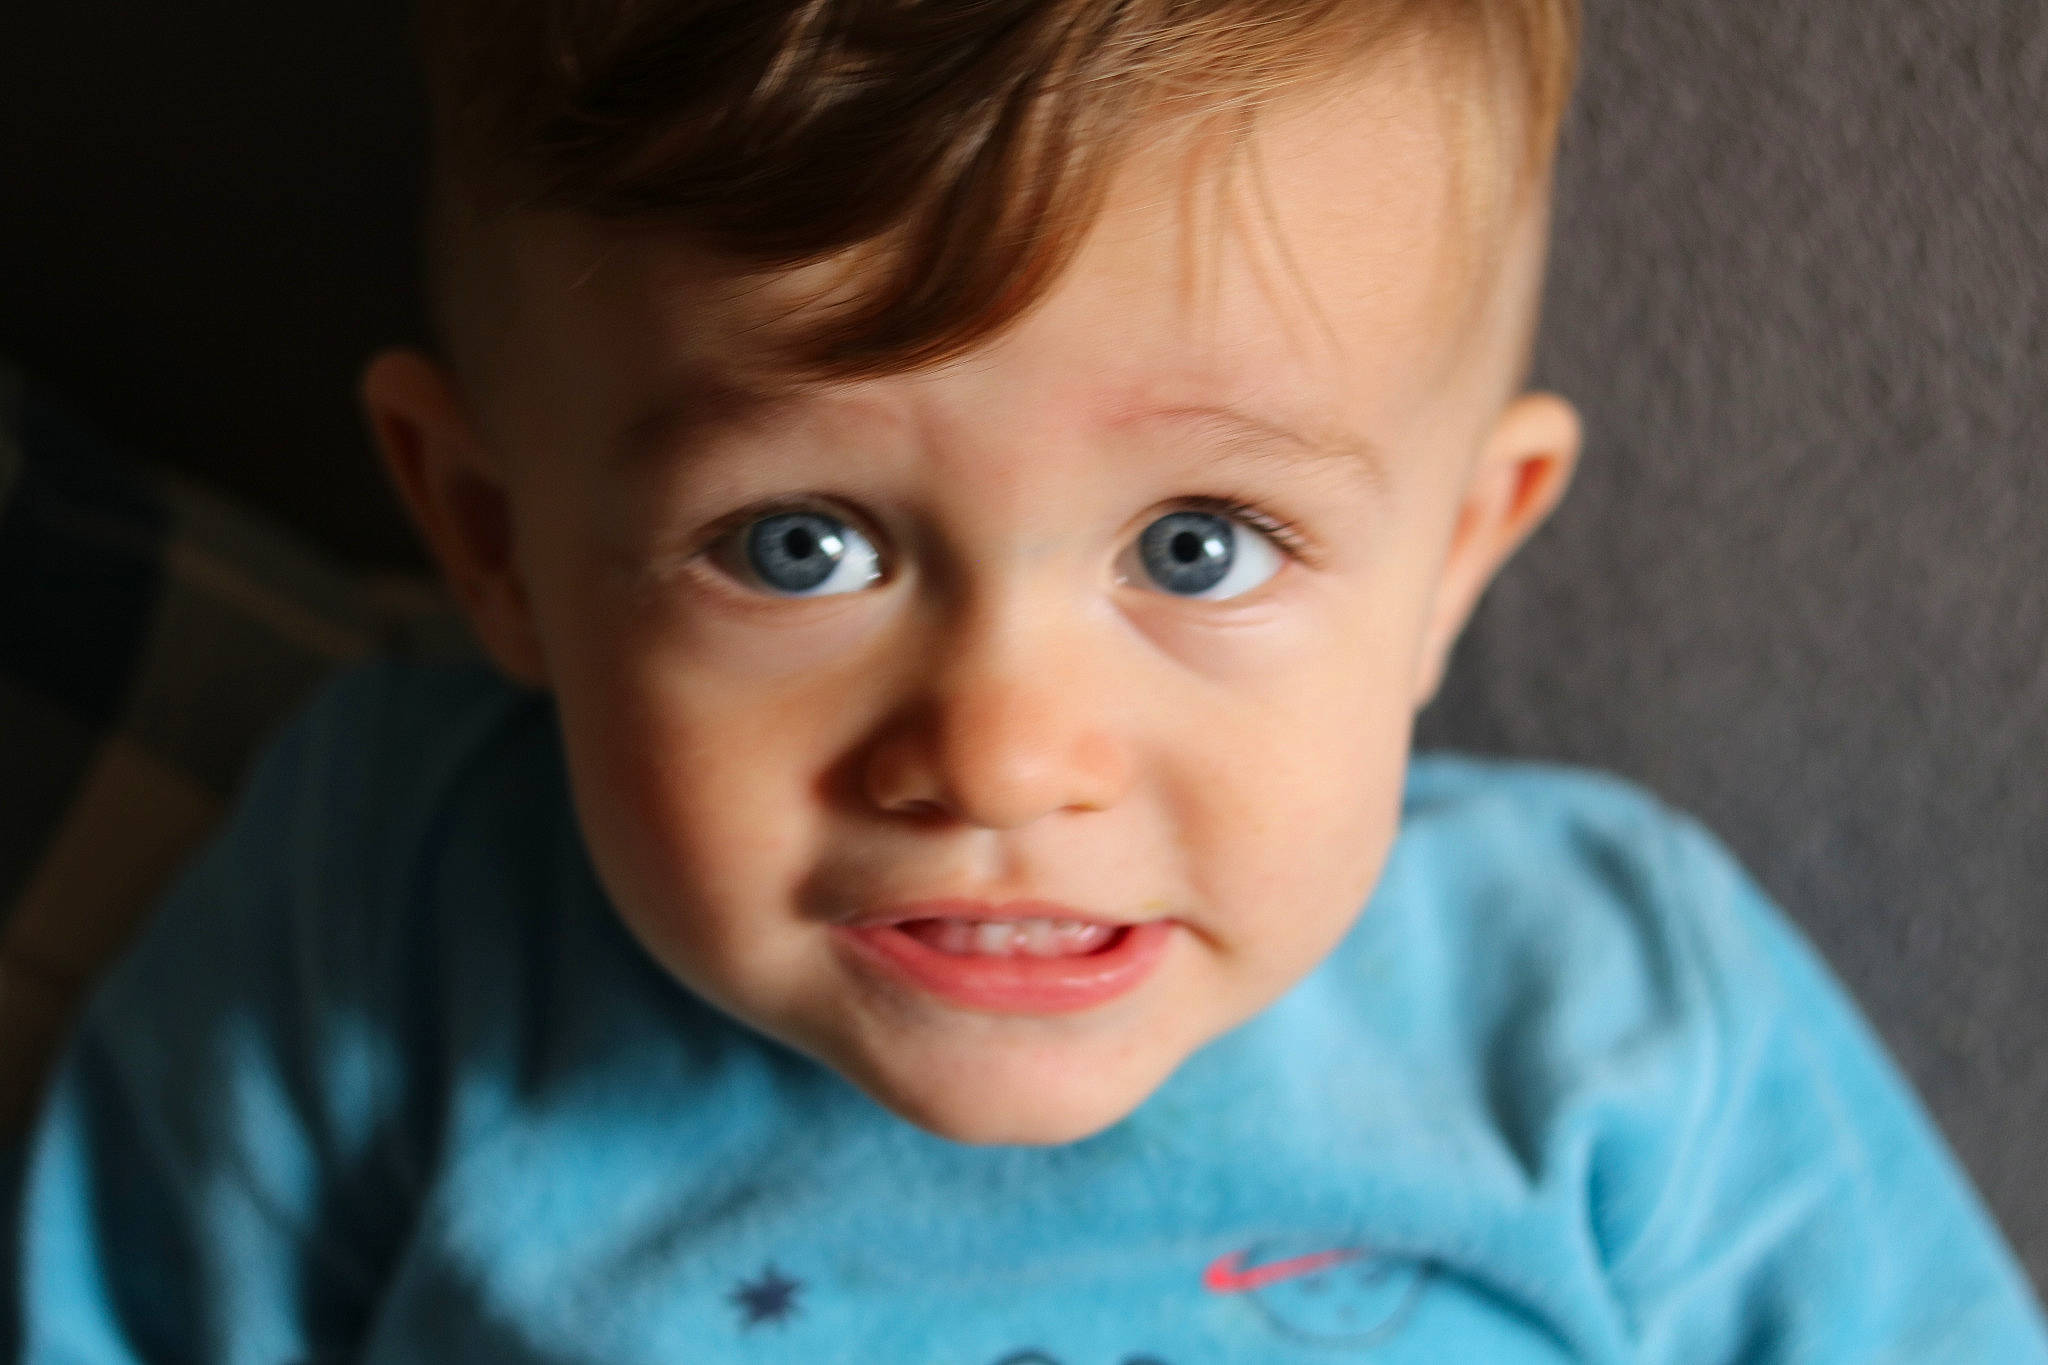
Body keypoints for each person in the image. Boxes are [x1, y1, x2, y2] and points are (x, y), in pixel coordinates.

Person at [11, 0, 2048, 1358]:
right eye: (796, 543)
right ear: (489, 534)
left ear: (1455, 556)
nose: (999, 748)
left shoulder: (1606, 1002)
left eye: (1199, 546)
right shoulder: (388, 898)